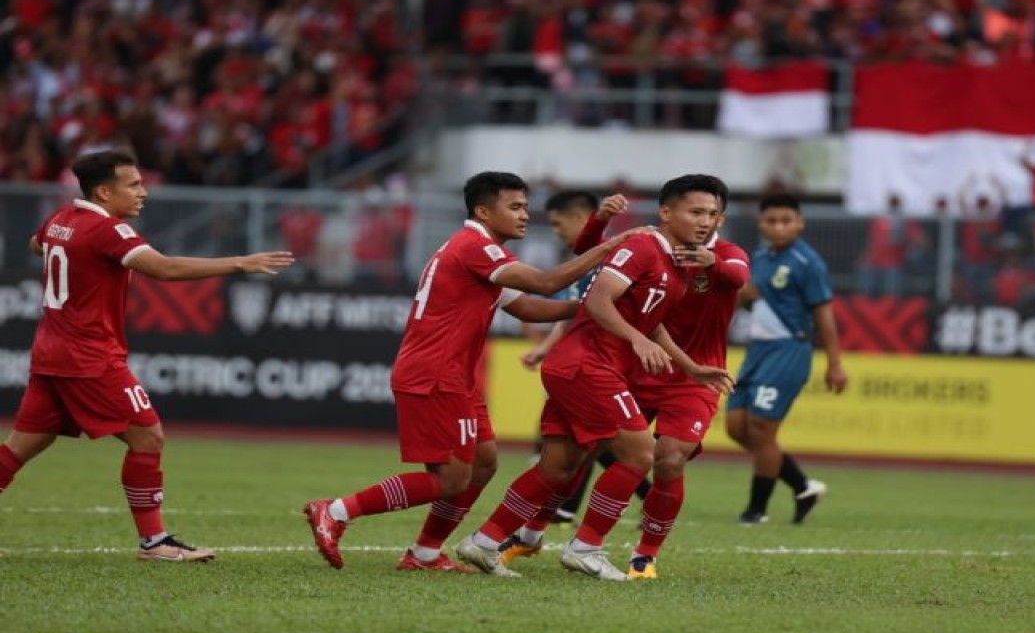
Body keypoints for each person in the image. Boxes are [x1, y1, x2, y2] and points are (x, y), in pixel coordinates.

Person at [301, 171, 641, 572]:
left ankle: (424, 554)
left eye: (525, 207)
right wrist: (611, 247)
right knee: (451, 478)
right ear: (483, 210)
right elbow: (547, 284)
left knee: (483, 462)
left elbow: (530, 308)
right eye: (514, 207)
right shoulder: (475, 248)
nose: (524, 216)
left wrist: (594, 307)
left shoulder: (485, 253)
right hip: (434, 374)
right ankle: (338, 510)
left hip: (455, 376)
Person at [0, 150, 294, 561]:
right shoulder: (109, 231)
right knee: (147, 435)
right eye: (133, 185)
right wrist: (240, 263)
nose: (143, 192)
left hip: (51, 353)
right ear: (104, 192)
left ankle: (154, 542)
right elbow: (165, 269)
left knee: (21, 447)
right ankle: (155, 542)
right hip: (90, 358)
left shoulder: (60, 219)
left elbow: (37, 246)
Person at [455, 174, 734, 580]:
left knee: (558, 466)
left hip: (582, 366)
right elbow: (600, 300)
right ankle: (586, 547)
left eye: (711, 214)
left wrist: (688, 366)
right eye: (695, 212)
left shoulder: (676, 261)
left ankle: (483, 541)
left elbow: (651, 322)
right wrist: (635, 340)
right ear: (666, 212)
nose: (705, 221)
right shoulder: (642, 246)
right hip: (588, 365)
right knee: (638, 453)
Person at [519, 189, 651, 524]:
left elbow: (596, 311)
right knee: (592, 441)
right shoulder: (585, 258)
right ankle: (551, 517)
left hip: (606, 362)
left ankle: (562, 517)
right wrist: (544, 349)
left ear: (580, 217)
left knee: (602, 441)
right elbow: (577, 315)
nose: (555, 230)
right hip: (584, 360)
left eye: (557, 223)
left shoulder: (617, 256)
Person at [727, 193, 847, 525]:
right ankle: (802, 485)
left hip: (788, 350)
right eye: (771, 221)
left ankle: (756, 510)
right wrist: (744, 298)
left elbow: (823, 314)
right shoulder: (761, 257)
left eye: (786, 220)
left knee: (762, 430)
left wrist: (834, 363)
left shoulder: (808, 263)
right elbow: (755, 301)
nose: (779, 227)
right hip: (757, 350)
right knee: (737, 428)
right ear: (761, 223)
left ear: (800, 223)